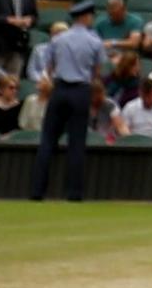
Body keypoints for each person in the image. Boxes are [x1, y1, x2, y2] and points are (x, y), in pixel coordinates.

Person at [30, 11, 106, 199]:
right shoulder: (94, 41)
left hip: (60, 89)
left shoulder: (58, 39)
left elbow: (48, 68)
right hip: (81, 90)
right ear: (86, 18)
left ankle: (37, 191)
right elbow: (97, 71)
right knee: (77, 143)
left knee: (47, 140)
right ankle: (73, 193)